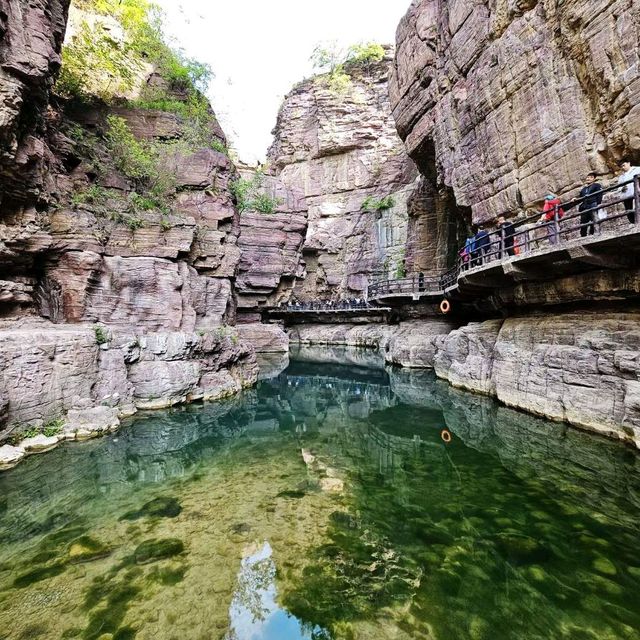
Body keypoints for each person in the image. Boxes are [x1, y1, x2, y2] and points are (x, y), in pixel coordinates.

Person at [574, 172, 603, 237]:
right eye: (587, 177)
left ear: (594, 178)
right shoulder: (583, 189)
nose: (588, 178)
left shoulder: (597, 185)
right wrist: (575, 199)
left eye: (590, 177)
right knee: (583, 222)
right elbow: (581, 198)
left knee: (594, 219)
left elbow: (599, 195)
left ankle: (594, 234)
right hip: (585, 206)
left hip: (593, 204)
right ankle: (583, 236)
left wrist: (598, 204)